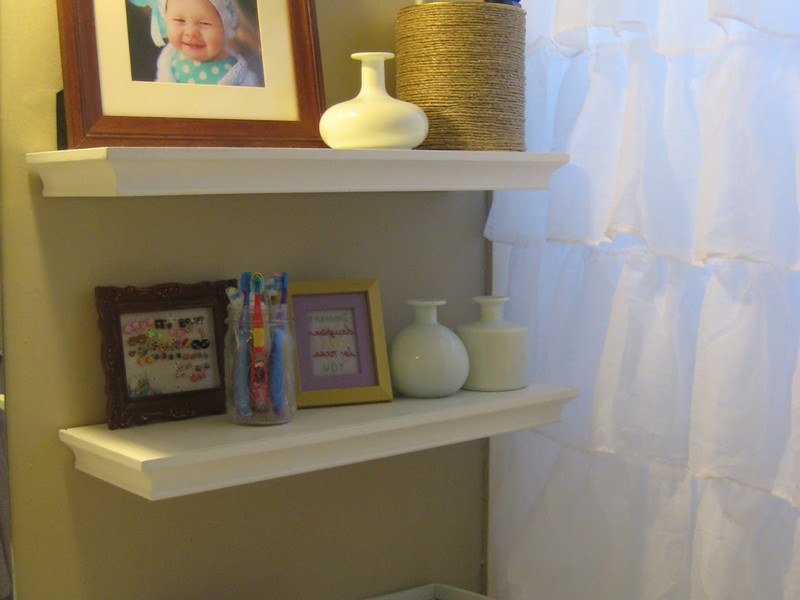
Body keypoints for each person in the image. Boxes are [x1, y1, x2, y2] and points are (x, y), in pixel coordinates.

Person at [155, 0, 260, 86]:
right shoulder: (169, 58)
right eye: (180, 20)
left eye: (204, 23)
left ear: (226, 27)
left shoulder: (237, 76)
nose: (191, 33)